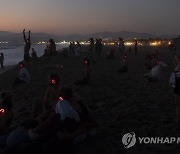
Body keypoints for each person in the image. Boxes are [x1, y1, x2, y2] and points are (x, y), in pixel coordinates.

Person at [170, 54, 180, 123]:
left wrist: (177, 59)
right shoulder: (177, 66)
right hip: (177, 83)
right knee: (177, 103)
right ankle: (178, 118)